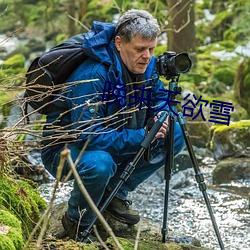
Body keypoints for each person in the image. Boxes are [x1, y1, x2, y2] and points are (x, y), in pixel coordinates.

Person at [41, 9, 185, 241]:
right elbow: (87, 135)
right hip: (66, 150)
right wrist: (142, 135)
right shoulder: (92, 75)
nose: (147, 56)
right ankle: (76, 221)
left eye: (152, 49)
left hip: (117, 136)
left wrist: (162, 114)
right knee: (100, 164)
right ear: (119, 43)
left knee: (175, 132)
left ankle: (115, 193)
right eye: (140, 49)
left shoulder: (146, 65)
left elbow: (160, 97)